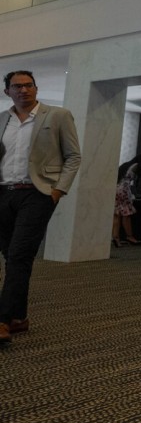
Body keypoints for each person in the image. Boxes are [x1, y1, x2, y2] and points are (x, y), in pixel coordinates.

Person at [0, 70, 81, 344]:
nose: (23, 90)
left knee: (19, 255)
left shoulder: (57, 116)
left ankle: (2, 320)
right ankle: (18, 318)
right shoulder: (3, 119)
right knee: (11, 256)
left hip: (37, 194)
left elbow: (73, 156)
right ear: (7, 92)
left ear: (36, 88)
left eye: (28, 85)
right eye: (17, 86)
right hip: (4, 194)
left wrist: (57, 191)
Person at [112, 154, 141, 246]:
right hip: (124, 190)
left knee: (117, 214)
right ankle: (129, 236)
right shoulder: (137, 165)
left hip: (117, 188)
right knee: (127, 214)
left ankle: (116, 238)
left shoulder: (126, 165)